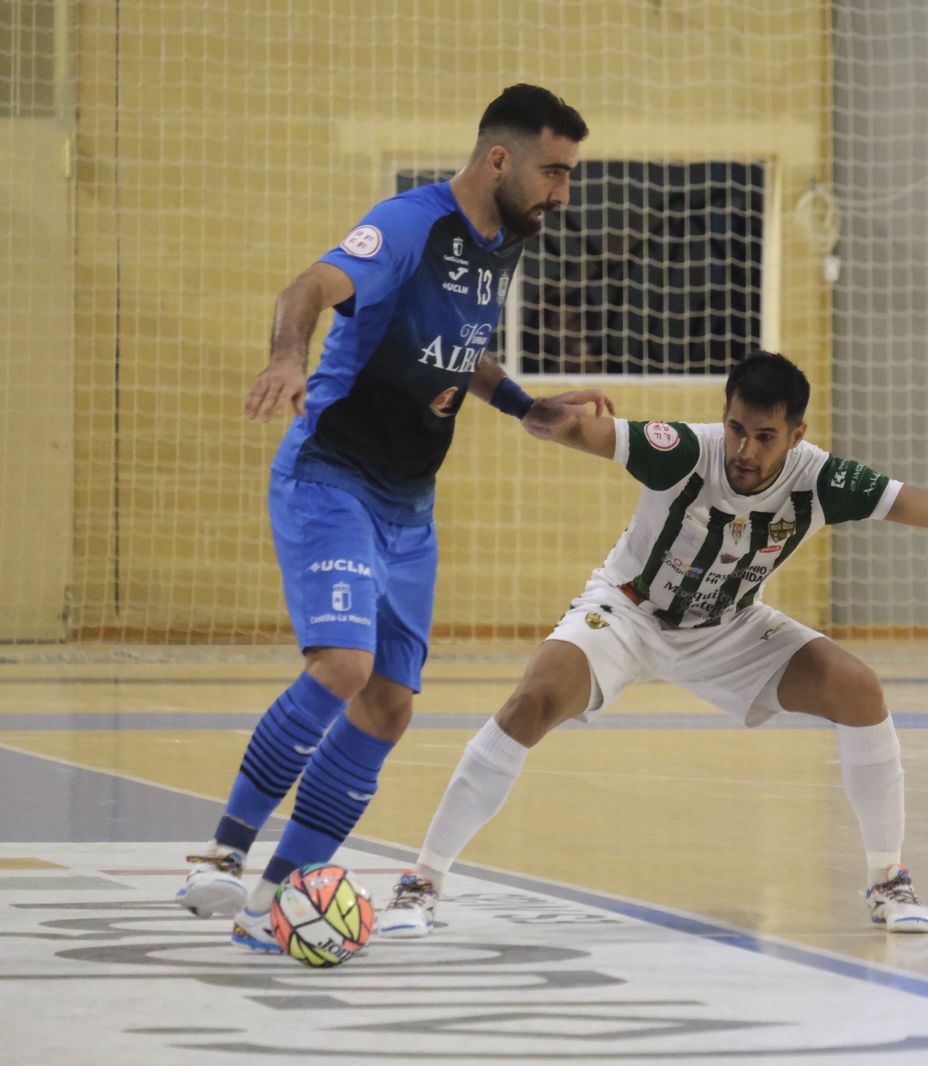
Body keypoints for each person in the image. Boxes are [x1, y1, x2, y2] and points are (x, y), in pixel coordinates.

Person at [375, 351, 928, 938]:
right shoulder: (684, 449)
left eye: (765, 436)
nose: (747, 451)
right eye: (738, 430)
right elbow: (575, 428)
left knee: (858, 688)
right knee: (531, 701)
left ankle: (888, 882)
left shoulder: (822, 479)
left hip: (732, 628)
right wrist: (525, 399)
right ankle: (423, 880)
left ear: (797, 434)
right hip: (629, 613)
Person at [176, 84, 614, 954]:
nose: (563, 193)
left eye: (570, 175)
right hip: (333, 476)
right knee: (343, 663)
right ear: (500, 159)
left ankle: (274, 903)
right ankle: (222, 857)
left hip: (410, 505)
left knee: (387, 707)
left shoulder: (501, 241)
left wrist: (525, 405)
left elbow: (457, 344)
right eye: (553, 172)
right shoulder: (410, 223)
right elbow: (311, 285)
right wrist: (284, 359)